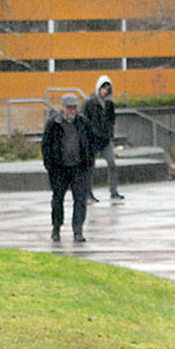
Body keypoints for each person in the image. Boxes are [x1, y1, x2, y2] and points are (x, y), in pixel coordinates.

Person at [41, 93, 95, 242]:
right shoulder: (53, 123)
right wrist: (50, 165)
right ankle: (56, 228)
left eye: (74, 108)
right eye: (69, 108)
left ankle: (78, 230)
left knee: (80, 199)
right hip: (59, 169)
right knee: (57, 199)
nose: (71, 111)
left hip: (79, 167)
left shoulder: (83, 122)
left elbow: (90, 142)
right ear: (63, 107)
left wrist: (89, 162)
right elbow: (46, 145)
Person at [83, 75, 123, 201]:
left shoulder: (110, 104)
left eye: (107, 88)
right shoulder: (90, 103)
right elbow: (85, 120)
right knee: (90, 167)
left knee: (112, 164)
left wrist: (109, 134)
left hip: (105, 140)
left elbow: (112, 120)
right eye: (103, 88)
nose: (105, 91)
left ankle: (114, 191)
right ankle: (88, 193)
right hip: (93, 140)